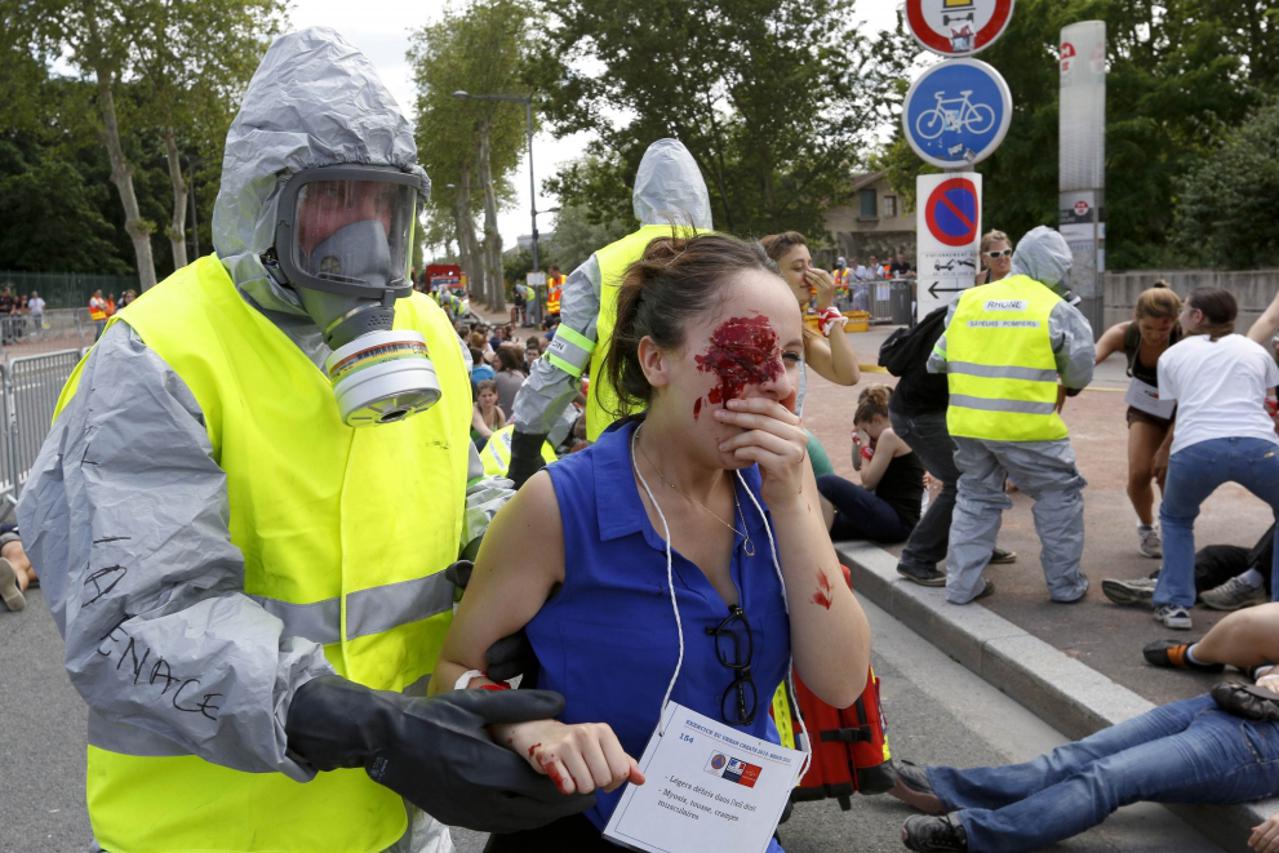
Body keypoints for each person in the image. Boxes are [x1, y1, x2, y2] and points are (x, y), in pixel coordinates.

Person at [15, 28, 588, 852]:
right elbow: (137, 618)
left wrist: (523, 573)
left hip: (397, 818)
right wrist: (377, 729)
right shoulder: (158, 352)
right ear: (265, 200)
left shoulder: (424, 329)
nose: (359, 232)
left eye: (381, 203)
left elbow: (461, 493)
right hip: (209, 832)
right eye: (331, 199)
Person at [434, 233, 871, 849]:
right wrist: (530, 730)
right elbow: (452, 670)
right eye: (746, 351)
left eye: (793, 355)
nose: (777, 382)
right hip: (581, 827)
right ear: (656, 362)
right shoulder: (559, 506)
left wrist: (792, 506)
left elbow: (842, 681)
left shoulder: (778, 487)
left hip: (733, 831)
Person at [506, 138, 713, 485]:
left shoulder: (602, 266)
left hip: (624, 455)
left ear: (641, 196)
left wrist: (525, 449)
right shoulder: (739, 259)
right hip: (721, 447)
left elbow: (559, 368)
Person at [892, 678, 1279, 852]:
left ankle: (979, 835)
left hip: (1258, 744)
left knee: (1108, 777)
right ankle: (949, 789)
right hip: (1235, 700)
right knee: (1074, 757)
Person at [927, 226, 1095, 604]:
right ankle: (1065, 586)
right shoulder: (1057, 309)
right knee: (1059, 497)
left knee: (975, 498)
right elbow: (1080, 372)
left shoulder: (968, 300)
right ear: (1056, 268)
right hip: (1028, 426)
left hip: (968, 424)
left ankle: (961, 586)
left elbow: (937, 360)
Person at [1141, 288, 1279, 630]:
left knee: (1176, 519)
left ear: (1198, 317)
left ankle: (1174, 603)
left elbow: (1179, 407)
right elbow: (1268, 399)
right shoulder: (1255, 351)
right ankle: (1276, 608)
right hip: (1258, 446)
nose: (1182, 314)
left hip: (1196, 448)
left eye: (1186, 309)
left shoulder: (1172, 356)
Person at [1093, 284, 1183, 558]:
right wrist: (1062, 380)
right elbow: (1088, 360)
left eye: (1163, 330)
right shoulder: (1124, 334)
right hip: (1146, 407)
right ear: (1136, 318)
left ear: (1175, 322)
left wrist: (1166, 448)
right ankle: (1146, 526)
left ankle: (1176, 530)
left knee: (1168, 473)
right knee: (1139, 474)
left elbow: (1193, 400)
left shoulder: (1186, 340)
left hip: (1183, 410)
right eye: (1148, 329)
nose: (1155, 336)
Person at [760, 231, 861, 405]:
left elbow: (849, 375)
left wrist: (827, 307)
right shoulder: (755, 327)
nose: (810, 276)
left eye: (810, 265)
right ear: (772, 274)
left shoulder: (799, 329)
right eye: (798, 268)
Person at [817, 385, 924, 544]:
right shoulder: (886, 432)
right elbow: (857, 465)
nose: (868, 436)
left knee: (825, 483)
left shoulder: (890, 435)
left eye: (866, 429)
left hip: (897, 521)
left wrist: (866, 447)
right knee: (833, 524)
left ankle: (820, 553)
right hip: (886, 514)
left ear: (877, 420)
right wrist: (858, 440)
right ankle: (815, 545)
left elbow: (868, 482)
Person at [0, 524, 38, 613]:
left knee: (45, 570)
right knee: (18, 554)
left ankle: (13, 586)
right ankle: (14, 585)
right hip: (14, 537)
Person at [494, 343, 527, 417]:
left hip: (504, 417)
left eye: (497, 361)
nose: (494, 364)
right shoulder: (522, 375)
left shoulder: (499, 377)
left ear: (504, 362)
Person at [473, 378, 507, 445]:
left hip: (489, 450)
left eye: (490, 395)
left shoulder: (498, 412)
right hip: (471, 449)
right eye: (484, 396)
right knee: (485, 441)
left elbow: (503, 434)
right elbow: (485, 433)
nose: (487, 399)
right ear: (478, 397)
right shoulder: (474, 410)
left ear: (496, 396)